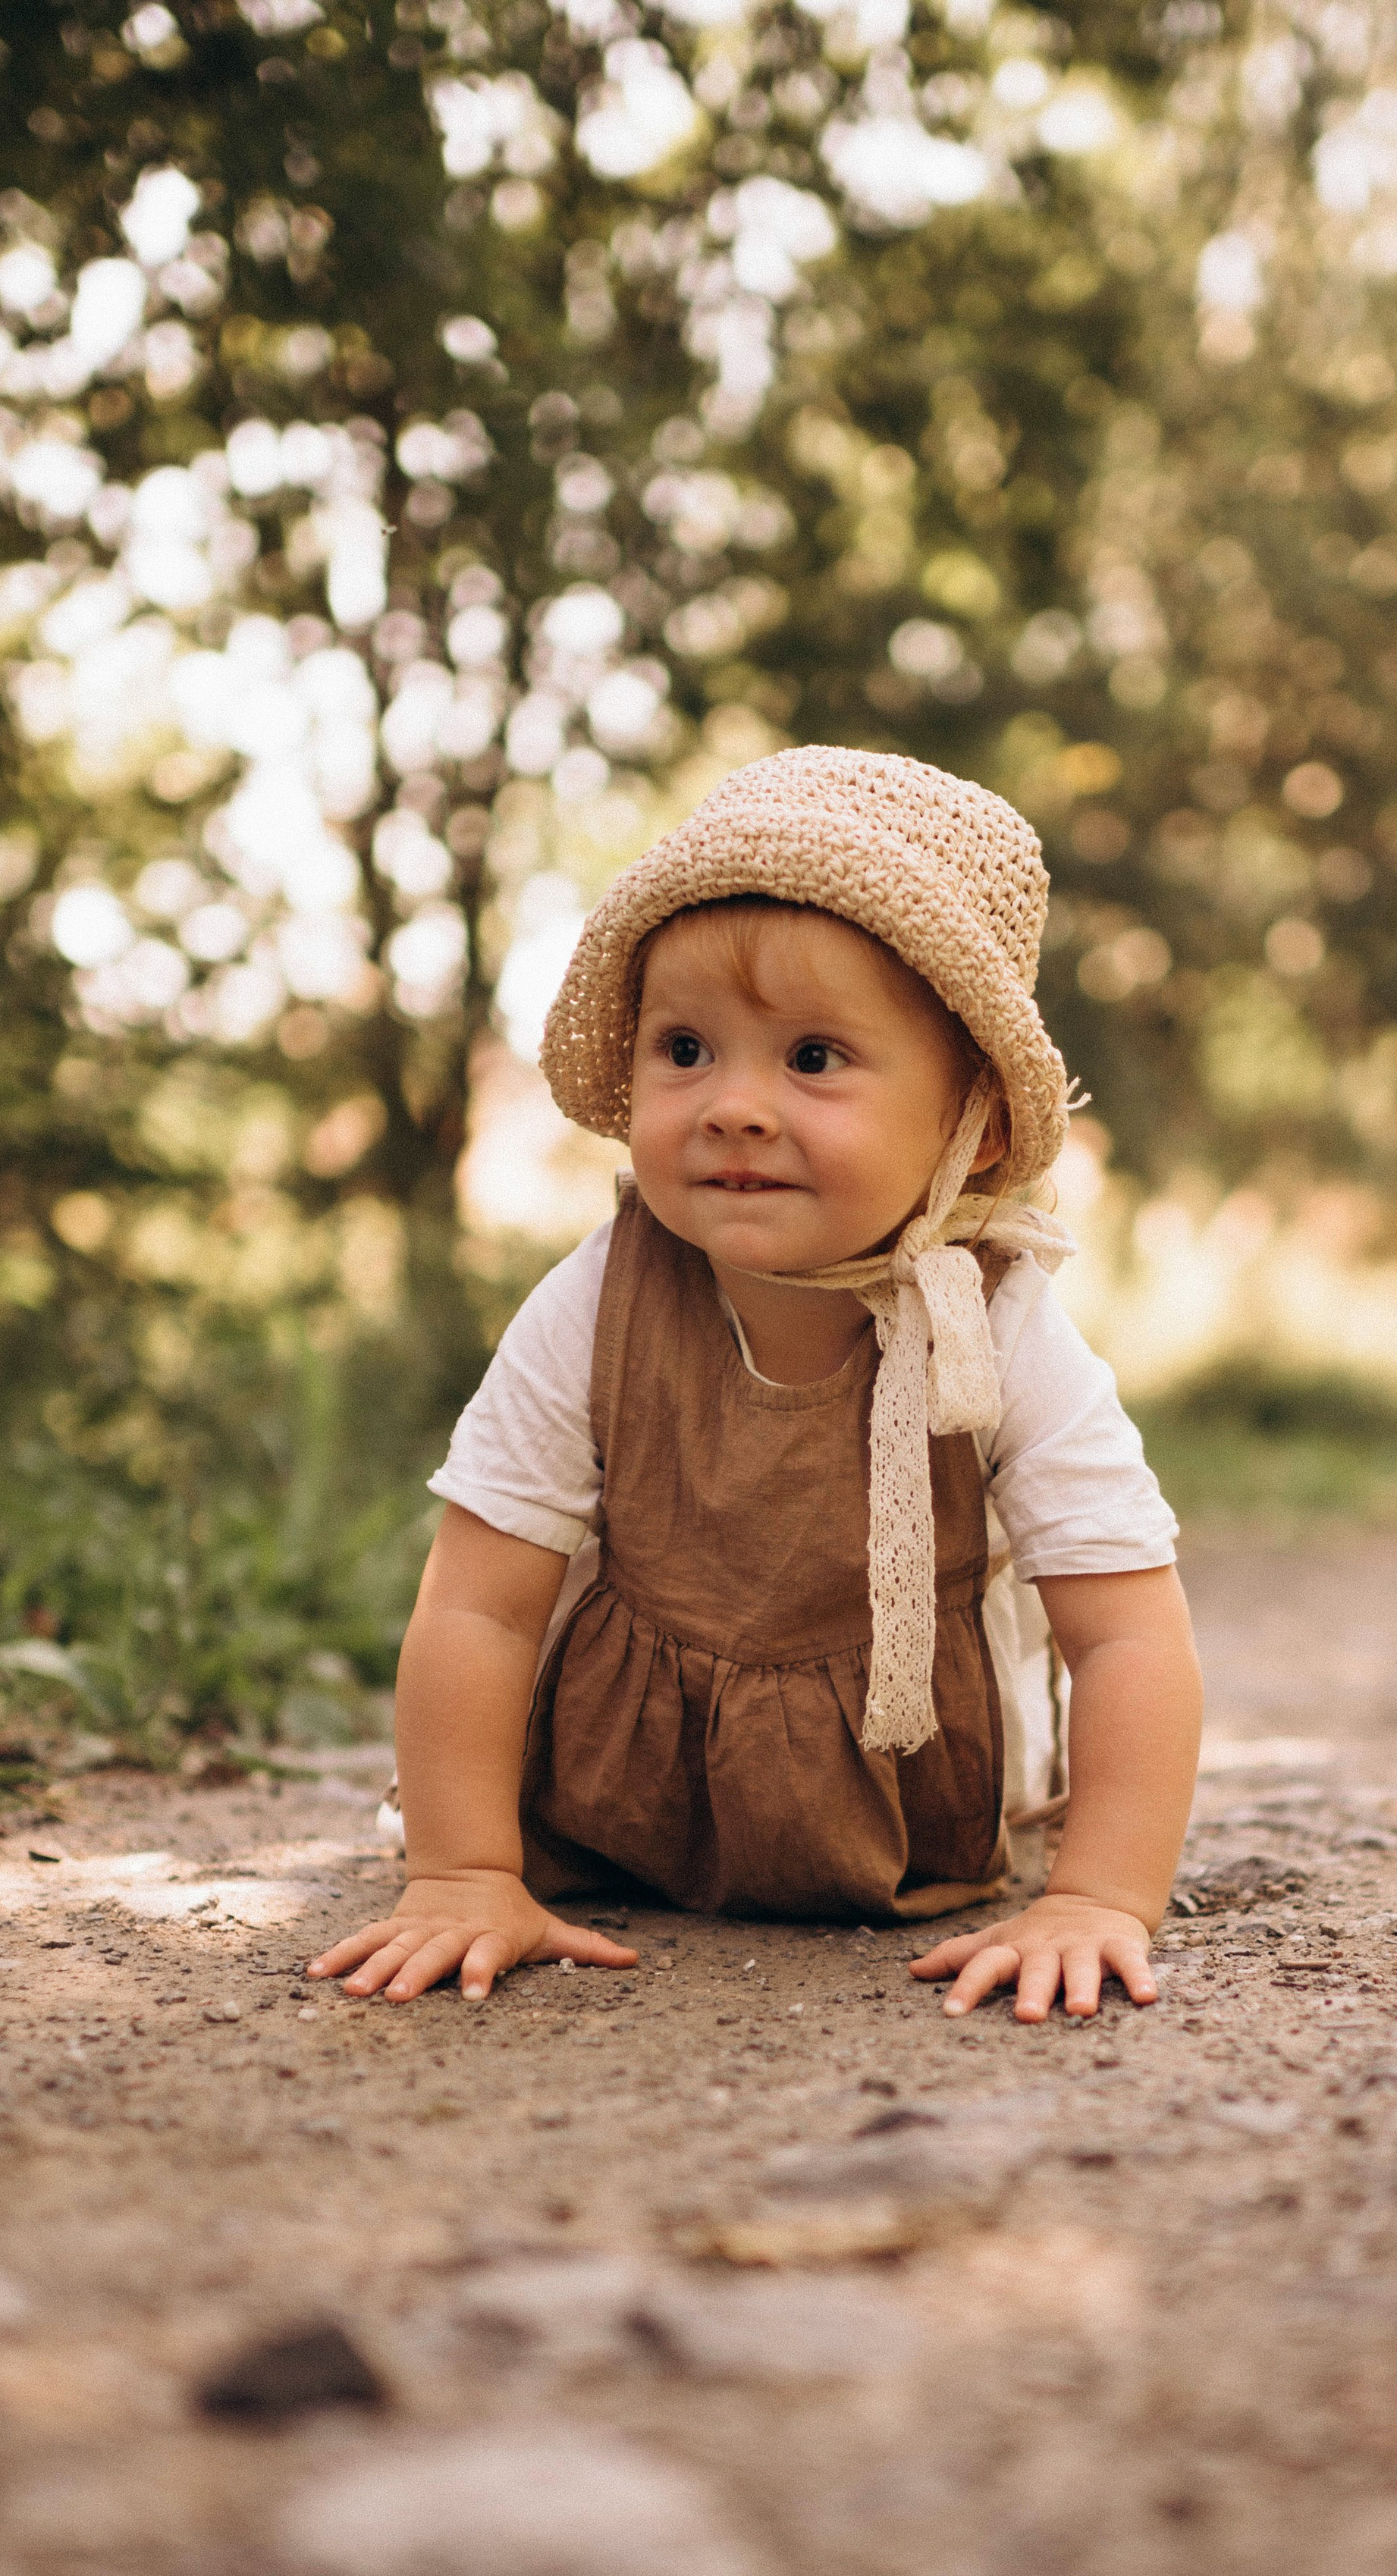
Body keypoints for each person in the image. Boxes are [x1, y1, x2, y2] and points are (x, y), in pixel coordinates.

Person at [309, 747, 1201, 2023]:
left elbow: (1124, 1634)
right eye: (686, 1049)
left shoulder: (995, 1323)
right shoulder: (602, 1299)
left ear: (978, 1124)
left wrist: (1099, 1897)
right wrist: (460, 1869)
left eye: (815, 1059)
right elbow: (481, 1608)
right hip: (623, 1807)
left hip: (906, 1820)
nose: (733, 1106)